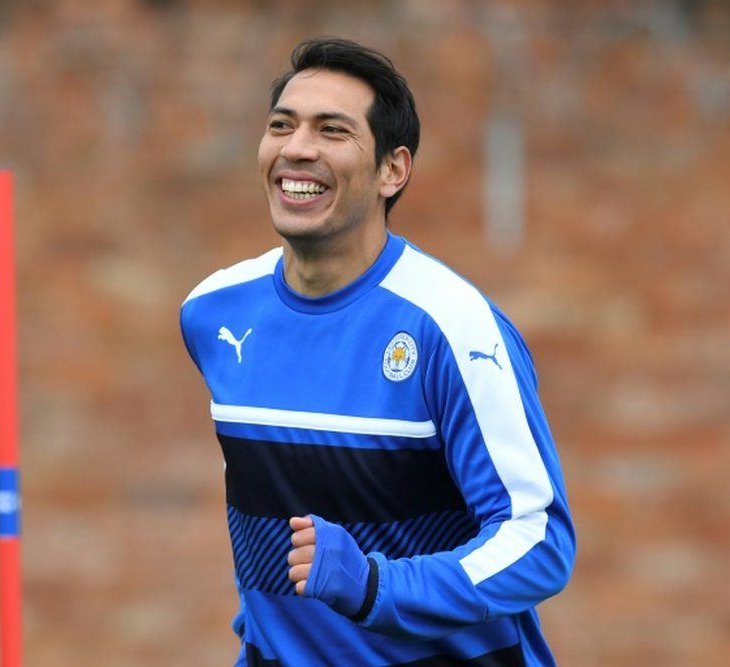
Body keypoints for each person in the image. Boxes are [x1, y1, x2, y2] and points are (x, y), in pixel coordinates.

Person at [180, 37, 576, 666]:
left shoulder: (452, 327)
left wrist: (376, 586)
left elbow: (538, 538)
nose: (296, 148)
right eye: (281, 126)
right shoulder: (212, 311)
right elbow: (265, 511)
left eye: (332, 131)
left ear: (393, 169)